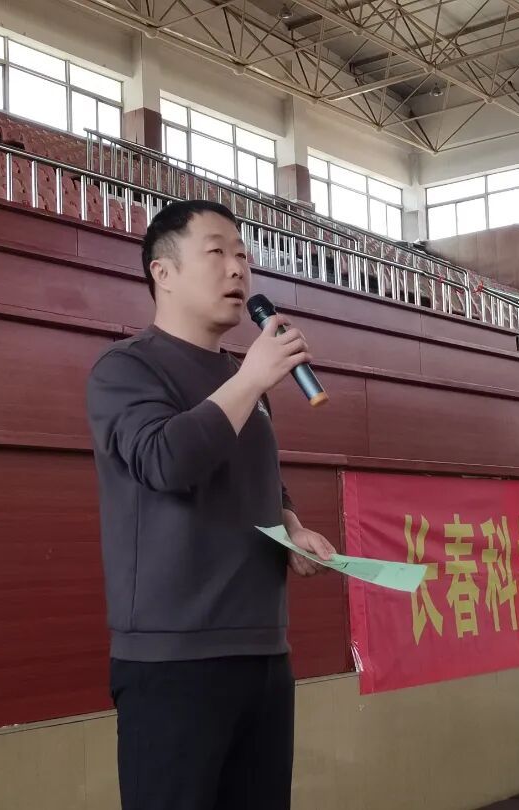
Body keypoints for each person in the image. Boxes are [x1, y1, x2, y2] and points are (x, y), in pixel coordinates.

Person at [86, 199, 337, 810]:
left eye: (243, 256)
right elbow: (165, 462)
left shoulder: (244, 378)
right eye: (217, 252)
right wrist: (250, 380)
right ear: (162, 272)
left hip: (263, 651)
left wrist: (291, 525)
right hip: (176, 657)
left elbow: (257, 477)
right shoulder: (126, 369)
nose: (238, 269)